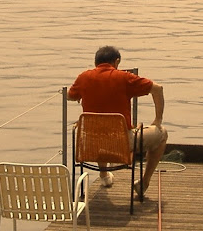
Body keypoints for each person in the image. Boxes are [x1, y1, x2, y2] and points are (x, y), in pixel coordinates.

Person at [68, 45, 166, 196]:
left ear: (96, 62)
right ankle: (144, 182)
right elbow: (158, 89)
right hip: (121, 146)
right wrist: (157, 120)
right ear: (117, 61)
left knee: (98, 127)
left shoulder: (84, 77)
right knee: (162, 134)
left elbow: (69, 96)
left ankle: (104, 176)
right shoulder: (124, 78)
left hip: (89, 146)